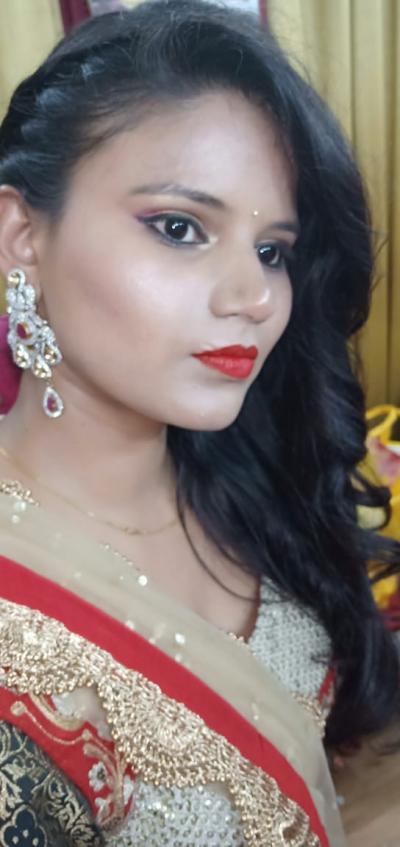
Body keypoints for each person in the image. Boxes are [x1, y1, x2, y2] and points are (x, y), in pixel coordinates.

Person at [0, 0, 398, 843]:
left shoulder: (245, 471)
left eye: (273, 250)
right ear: (21, 234)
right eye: (180, 228)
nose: (254, 297)